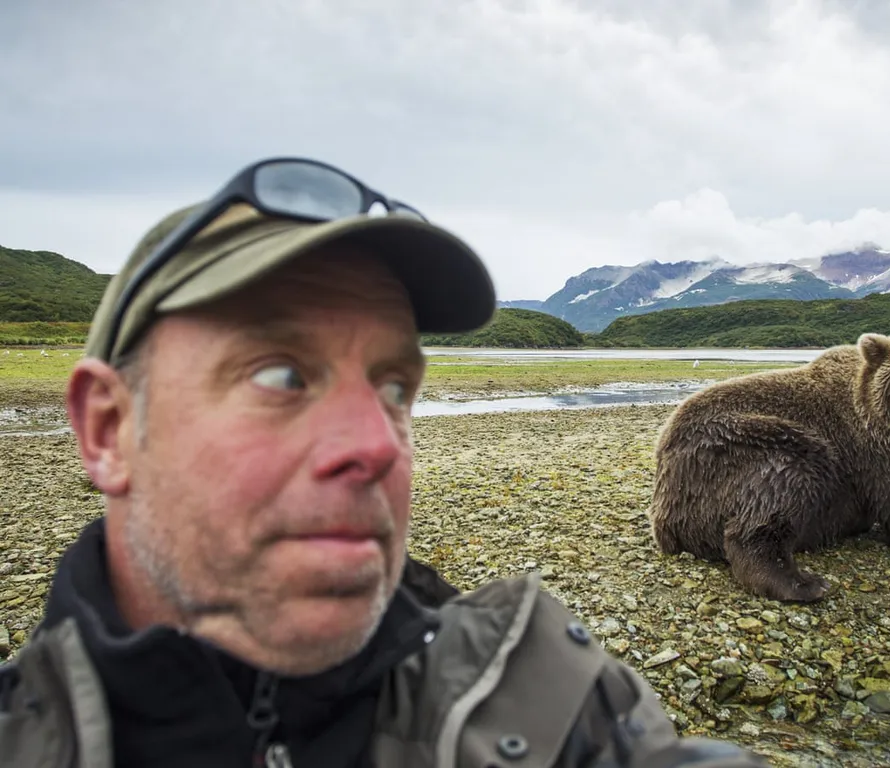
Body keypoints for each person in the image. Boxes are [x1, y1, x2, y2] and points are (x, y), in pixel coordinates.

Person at [0, 157, 767, 767]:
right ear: (107, 429)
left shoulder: (552, 697)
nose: (376, 444)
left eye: (395, 387)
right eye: (280, 376)